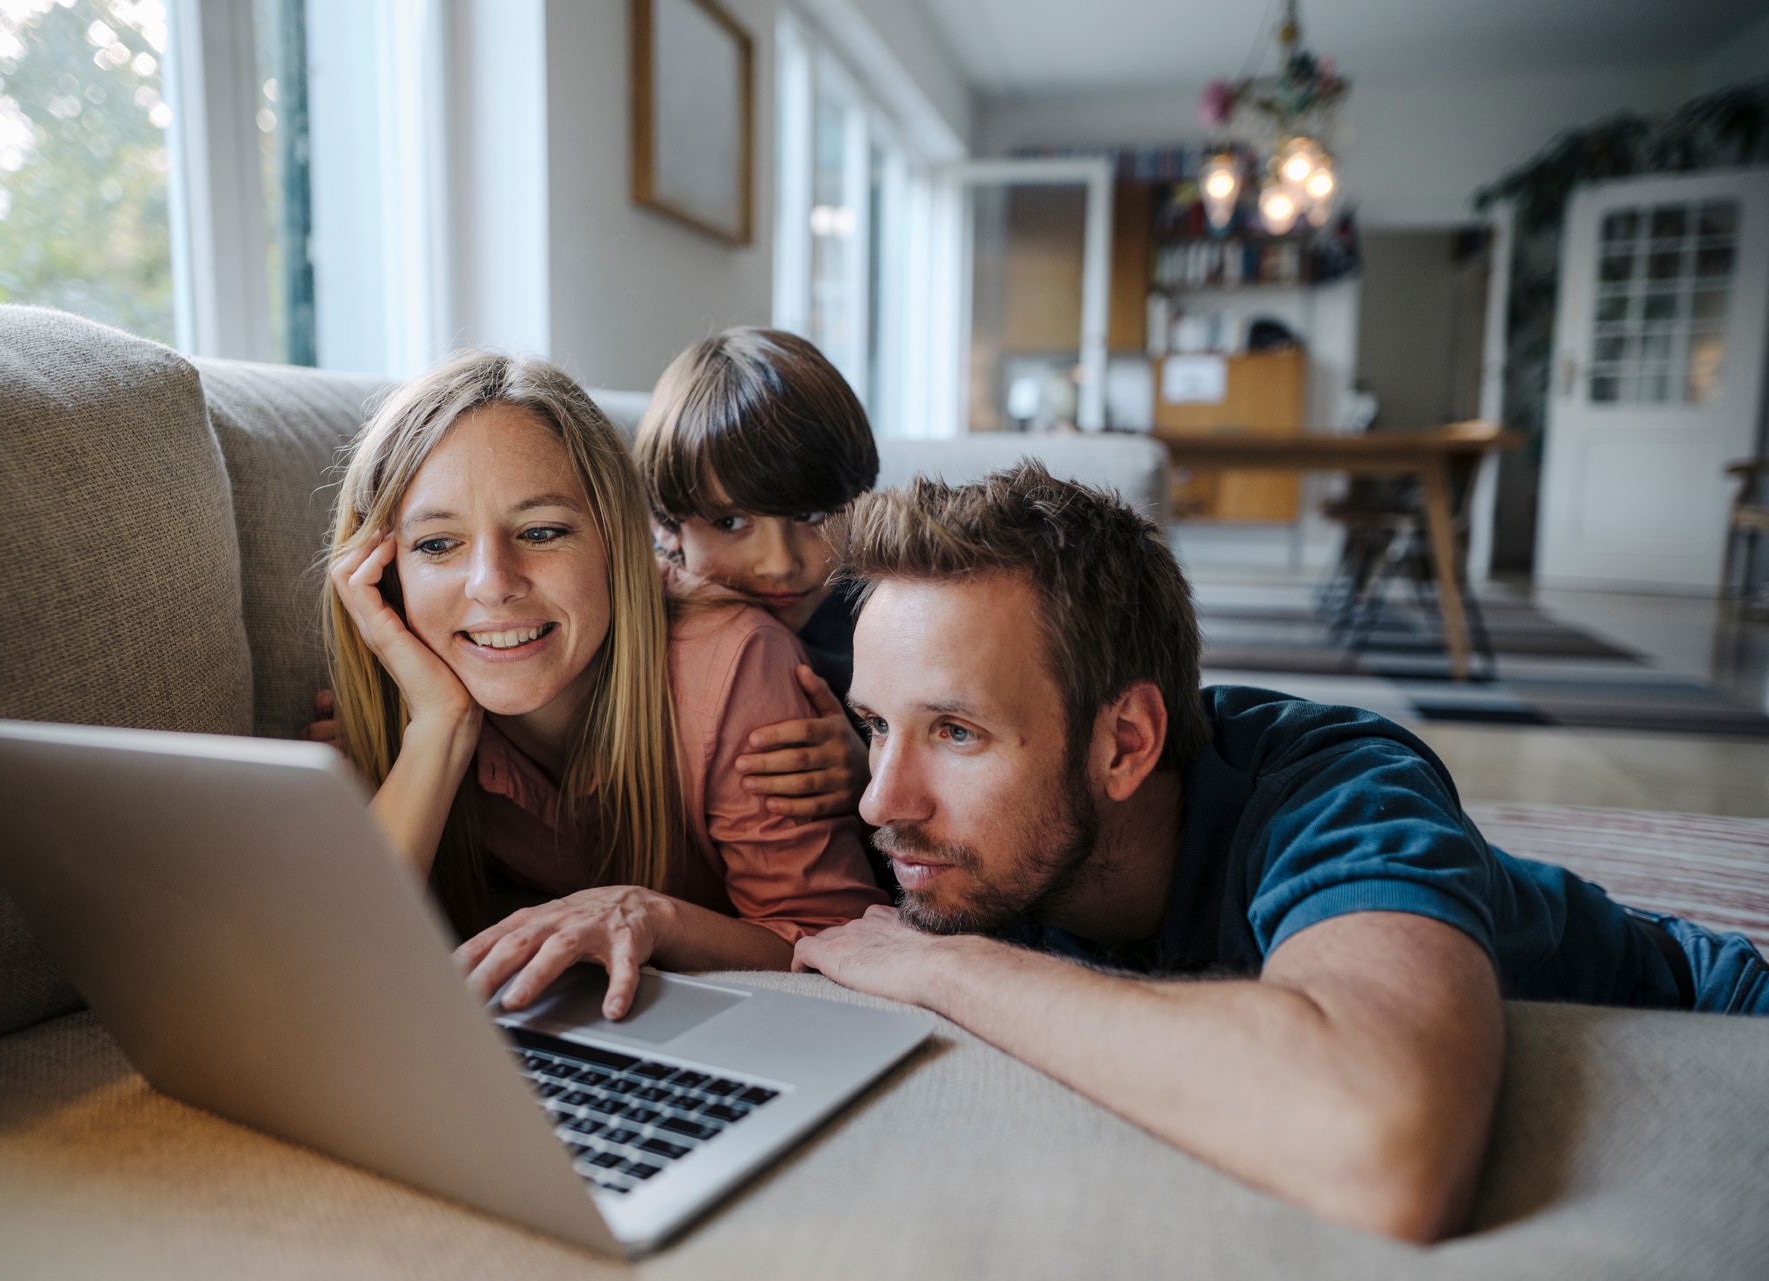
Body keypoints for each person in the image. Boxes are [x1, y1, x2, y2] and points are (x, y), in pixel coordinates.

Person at [792, 462, 1769, 1244]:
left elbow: (1384, 1147)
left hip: (1712, 1020)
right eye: (874, 724)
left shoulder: (1337, 788)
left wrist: (942, 966)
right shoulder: (960, 830)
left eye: (956, 732)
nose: (883, 799)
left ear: (1126, 743)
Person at [325, 351, 885, 1020]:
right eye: (438, 545)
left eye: (541, 531)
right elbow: (330, 979)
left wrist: (652, 915)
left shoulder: (743, 660)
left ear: (620, 541)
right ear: (385, 574)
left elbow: (837, 950)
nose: (493, 584)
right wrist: (438, 730)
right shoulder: (408, 680)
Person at [634, 327, 877, 825]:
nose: (778, 562)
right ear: (667, 525)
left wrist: (872, 776)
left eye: (811, 515)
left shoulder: (888, 623)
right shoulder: (640, 638)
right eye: (730, 523)